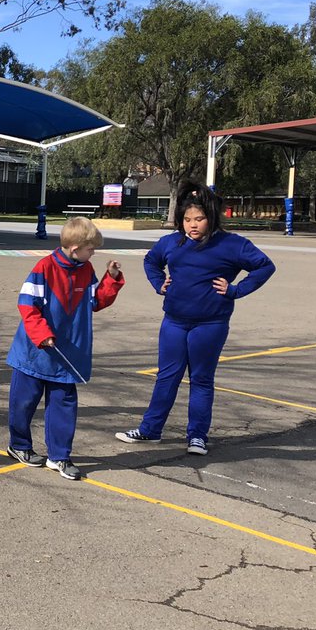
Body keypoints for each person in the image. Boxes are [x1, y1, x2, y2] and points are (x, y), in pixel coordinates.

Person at [116, 182, 275, 456]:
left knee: (201, 379)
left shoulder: (232, 244)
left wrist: (236, 290)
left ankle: (197, 436)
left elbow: (265, 266)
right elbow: (151, 261)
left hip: (210, 325)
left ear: (211, 217)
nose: (192, 225)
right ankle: (150, 430)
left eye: (199, 219)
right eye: (187, 219)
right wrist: (159, 283)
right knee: (166, 377)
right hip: (174, 322)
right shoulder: (172, 242)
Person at [5, 217, 124, 480]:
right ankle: (19, 445)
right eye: (91, 249)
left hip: (68, 353)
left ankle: (59, 456)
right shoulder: (44, 267)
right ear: (75, 248)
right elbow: (27, 304)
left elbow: (95, 301)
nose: (93, 253)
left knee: (64, 405)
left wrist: (112, 279)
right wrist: (42, 334)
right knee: (23, 403)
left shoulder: (86, 269)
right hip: (34, 353)